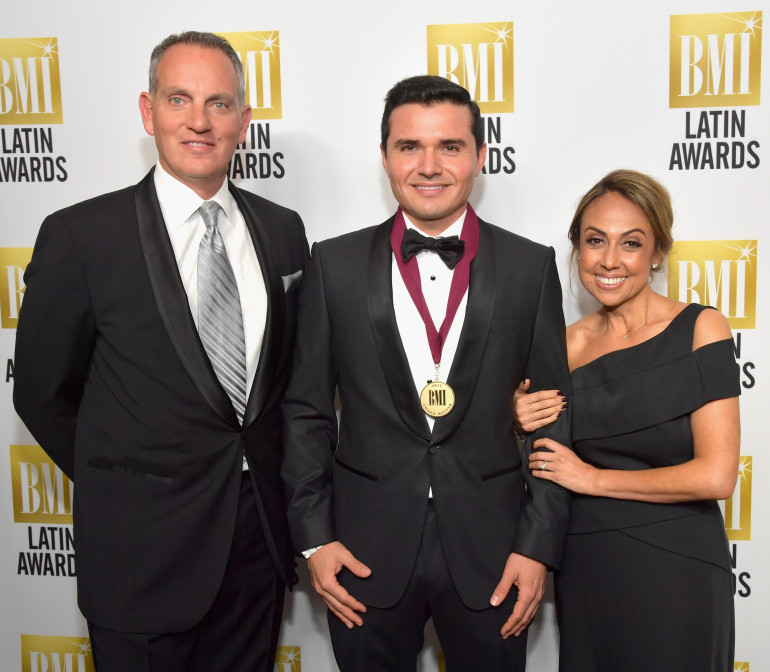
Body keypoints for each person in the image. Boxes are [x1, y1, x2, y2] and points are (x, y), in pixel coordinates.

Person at [13, 31, 308, 672]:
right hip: (137, 554)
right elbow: (41, 392)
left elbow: (288, 384)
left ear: (244, 121)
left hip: (257, 547)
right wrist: (126, 482)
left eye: (218, 104)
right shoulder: (80, 236)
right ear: (149, 113)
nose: (200, 121)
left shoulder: (283, 230)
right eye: (179, 100)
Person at [281, 75, 572, 672]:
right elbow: (306, 410)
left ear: (480, 156)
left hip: (495, 550)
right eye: (410, 146)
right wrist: (315, 538)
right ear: (385, 155)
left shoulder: (530, 266)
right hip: (363, 548)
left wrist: (538, 546)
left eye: (450, 146)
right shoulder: (333, 264)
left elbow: (551, 420)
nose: (430, 165)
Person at [514, 169, 739, 671]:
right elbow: (528, 461)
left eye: (631, 243)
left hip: (677, 563)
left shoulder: (700, 328)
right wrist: (516, 418)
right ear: (577, 248)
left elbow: (717, 476)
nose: (610, 260)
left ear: (657, 252)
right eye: (595, 241)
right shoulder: (563, 345)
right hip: (586, 563)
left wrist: (592, 478)